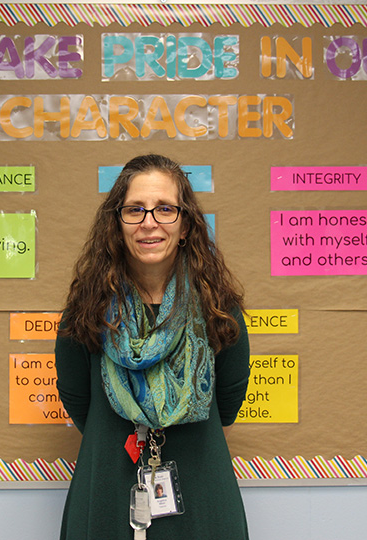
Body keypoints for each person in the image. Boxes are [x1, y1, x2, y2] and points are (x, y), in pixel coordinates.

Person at [55, 154, 251, 539]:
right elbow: (77, 400)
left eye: (164, 209)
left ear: (185, 226)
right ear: (117, 224)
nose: (149, 222)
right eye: (135, 209)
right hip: (107, 492)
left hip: (202, 495)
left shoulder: (219, 310)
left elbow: (227, 406)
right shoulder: (86, 311)